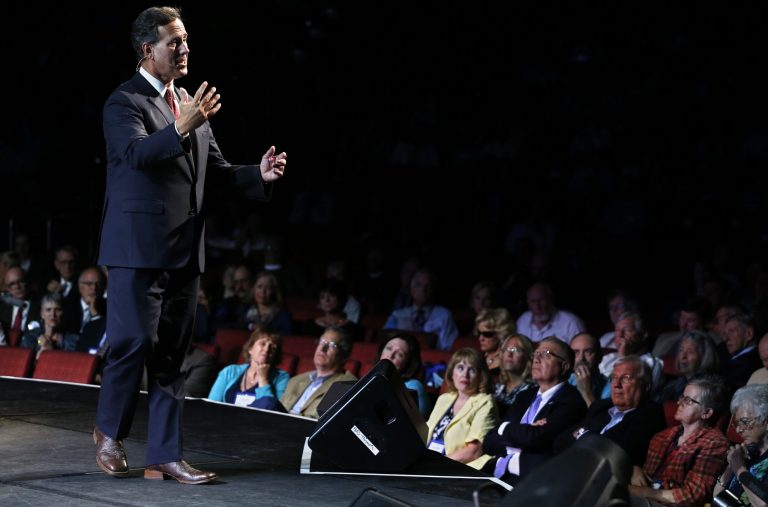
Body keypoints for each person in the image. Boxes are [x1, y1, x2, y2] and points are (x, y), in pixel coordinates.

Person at [93, 6, 287, 486]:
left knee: (172, 358)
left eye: (185, 41)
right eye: (173, 42)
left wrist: (256, 176)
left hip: (184, 250)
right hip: (136, 249)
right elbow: (136, 155)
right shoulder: (125, 102)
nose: (183, 49)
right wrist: (183, 124)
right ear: (147, 51)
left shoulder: (188, 103)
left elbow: (216, 171)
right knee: (132, 342)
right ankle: (108, 431)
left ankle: (165, 455)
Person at [482, 337, 587, 485]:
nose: (537, 360)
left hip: (528, 482)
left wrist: (505, 430)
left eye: (546, 354)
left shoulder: (571, 402)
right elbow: (489, 442)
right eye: (536, 354)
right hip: (494, 472)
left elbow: (536, 438)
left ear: (564, 366)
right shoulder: (525, 396)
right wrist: (513, 429)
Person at [629, 374, 729, 507]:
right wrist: (634, 470)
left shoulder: (715, 444)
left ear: (706, 413)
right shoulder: (662, 436)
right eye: (682, 397)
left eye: (687, 400)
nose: (678, 402)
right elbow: (645, 476)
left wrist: (645, 492)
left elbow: (693, 495)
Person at [555, 355, 666, 467]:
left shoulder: (651, 414)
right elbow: (561, 441)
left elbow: (616, 453)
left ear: (646, 386)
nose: (616, 385)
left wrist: (581, 433)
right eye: (613, 378)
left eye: (626, 378)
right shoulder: (600, 406)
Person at [426, 347, 499, 469]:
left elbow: (474, 451)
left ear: (481, 377)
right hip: (430, 463)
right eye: (460, 368)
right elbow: (426, 434)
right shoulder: (444, 399)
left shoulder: (485, 402)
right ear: (452, 373)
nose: (465, 374)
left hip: (460, 469)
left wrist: (436, 464)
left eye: (472, 370)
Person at [280, 326, 357, 419]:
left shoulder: (346, 384)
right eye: (321, 342)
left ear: (344, 356)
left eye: (332, 345)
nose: (322, 348)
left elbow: (319, 420)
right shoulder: (296, 380)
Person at [207, 328, 289, 410]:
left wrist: (263, 378)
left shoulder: (281, 377)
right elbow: (212, 404)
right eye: (262, 344)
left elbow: (271, 408)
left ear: (275, 355)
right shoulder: (230, 371)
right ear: (250, 348)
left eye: (273, 348)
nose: (267, 349)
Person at [714, 384, 768, 506]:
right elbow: (717, 495)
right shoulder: (747, 452)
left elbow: (763, 503)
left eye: (744, 422)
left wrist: (740, 469)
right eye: (736, 424)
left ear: (766, 421)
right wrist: (731, 465)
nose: (738, 430)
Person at [654, 330, 720, 403]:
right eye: (681, 350)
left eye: (690, 352)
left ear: (704, 356)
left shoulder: (709, 386)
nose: (683, 356)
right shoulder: (675, 384)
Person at [378, 333, 431, 417]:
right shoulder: (372, 377)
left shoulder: (414, 386)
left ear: (408, 363)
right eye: (388, 348)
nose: (390, 355)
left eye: (400, 354)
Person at [515, 282, 585, 344]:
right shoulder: (522, 320)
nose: (537, 306)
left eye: (541, 300)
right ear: (528, 302)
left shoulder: (571, 322)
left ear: (551, 299)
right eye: (533, 301)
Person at [20, 292, 79, 360]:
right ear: (42, 314)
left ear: (63, 313)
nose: (53, 314)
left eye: (58, 310)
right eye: (48, 310)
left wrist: (51, 351)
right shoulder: (31, 338)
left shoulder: (72, 340)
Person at [493, 333, 536, 418]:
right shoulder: (497, 388)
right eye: (506, 349)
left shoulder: (533, 390)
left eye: (516, 350)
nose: (509, 354)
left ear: (528, 357)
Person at [473, 308, 516, 380]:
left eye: (487, 334)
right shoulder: (477, 357)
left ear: (501, 334)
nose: (481, 338)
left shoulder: (509, 360)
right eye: (479, 333)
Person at [569, 332, 609, 406]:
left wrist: (586, 392)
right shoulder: (562, 381)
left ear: (599, 357)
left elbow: (599, 417)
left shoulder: (609, 387)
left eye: (588, 352)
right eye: (576, 352)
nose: (581, 358)